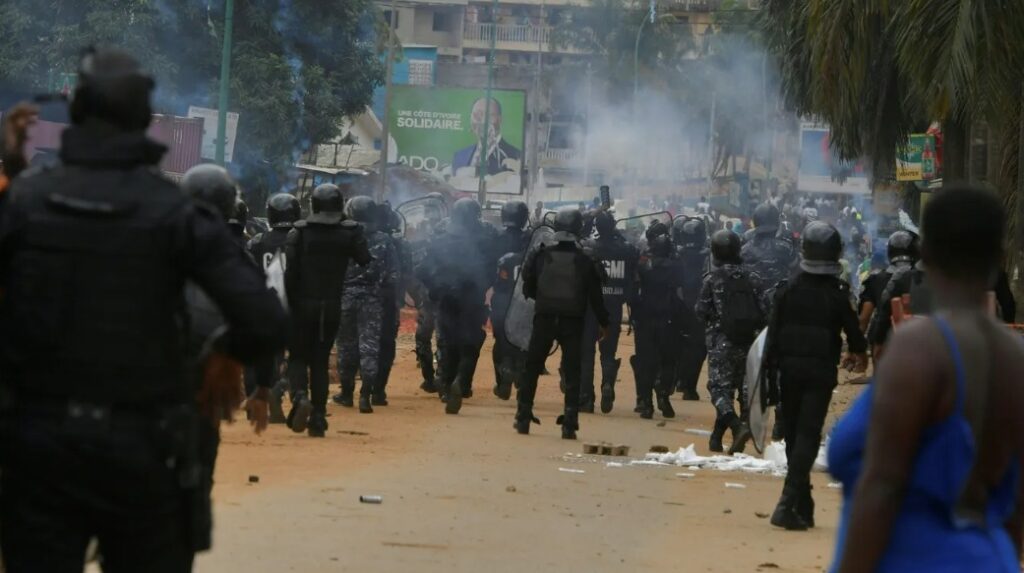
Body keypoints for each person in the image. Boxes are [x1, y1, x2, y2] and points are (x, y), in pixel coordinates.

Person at [0, 47, 287, 572]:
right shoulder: (175, 213)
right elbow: (265, 320)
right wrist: (227, 354)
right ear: (141, 119)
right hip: (142, 451)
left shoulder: (24, 202)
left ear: (79, 112)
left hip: (36, 449)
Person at [829, 186, 1024, 572]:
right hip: (990, 559)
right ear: (999, 258)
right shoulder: (1016, 357)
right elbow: (1017, 505)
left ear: (927, 254)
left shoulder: (919, 347)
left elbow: (882, 486)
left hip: (911, 559)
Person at [762, 221, 868, 530]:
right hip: (819, 372)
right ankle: (785, 504)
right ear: (835, 254)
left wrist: (770, 377)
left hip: (788, 371)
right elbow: (855, 336)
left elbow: (771, 337)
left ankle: (803, 505)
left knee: (795, 435)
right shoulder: (837, 294)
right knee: (808, 435)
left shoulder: (787, 290)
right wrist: (857, 355)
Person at [514, 207, 608, 439]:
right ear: (578, 228)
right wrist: (604, 323)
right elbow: (596, 294)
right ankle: (570, 422)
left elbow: (527, 285)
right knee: (572, 371)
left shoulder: (541, 252)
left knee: (532, 367)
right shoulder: (586, 257)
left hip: (544, 317)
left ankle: (523, 416)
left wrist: (544, 301)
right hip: (573, 321)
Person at [285, 183, 370, 436]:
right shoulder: (350, 232)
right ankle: (319, 418)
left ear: (313, 205)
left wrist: (290, 306)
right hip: (331, 305)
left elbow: (290, 275)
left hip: (302, 304)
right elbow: (364, 259)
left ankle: (300, 396)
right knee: (320, 362)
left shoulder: (299, 232)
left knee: (298, 357)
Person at [417, 198, 499, 414]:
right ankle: (462, 383)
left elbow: (423, 269)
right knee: (471, 341)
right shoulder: (487, 239)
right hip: (473, 297)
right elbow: (494, 270)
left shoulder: (441, 238)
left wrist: (435, 288)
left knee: (447, 341)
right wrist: (482, 286)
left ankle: (445, 386)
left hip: (446, 296)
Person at [696, 230, 766, 454]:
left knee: (719, 392)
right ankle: (719, 438)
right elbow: (765, 311)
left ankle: (737, 428)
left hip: (721, 344)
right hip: (749, 344)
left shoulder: (712, 279)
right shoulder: (753, 278)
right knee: (743, 392)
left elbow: (701, 310)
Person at [334, 196, 398, 414]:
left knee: (346, 346)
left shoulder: (340, 235)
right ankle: (365, 396)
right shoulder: (385, 240)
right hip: (372, 299)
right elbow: (393, 276)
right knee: (369, 347)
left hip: (345, 298)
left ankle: (346, 393)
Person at [246, 192, 301, 422]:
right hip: (297, 306)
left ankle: (256, 401)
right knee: (298, 355)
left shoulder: (258, 242)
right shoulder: (302, 239)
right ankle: (283, 388)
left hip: (265, 306)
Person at [580, 210, 638, 413]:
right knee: (608, 352)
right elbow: (633, 268)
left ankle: (586, 399)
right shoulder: (626, 249)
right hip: (613, 309)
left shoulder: (589, 248)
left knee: (586, 353)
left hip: (590, 310)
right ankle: (607, 384)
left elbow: (577, 235)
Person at [633, 221, 685, 419]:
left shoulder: (644, 264)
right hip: (668, 319)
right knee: (668, 361)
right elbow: (680, 290)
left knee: (645, 362)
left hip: (645, 318)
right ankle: (663, 395)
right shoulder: (675, 266)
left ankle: (646, 403)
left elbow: (635, 287)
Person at [491, 200, 531, 400]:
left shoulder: (495, 238)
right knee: (523, 340)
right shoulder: (530, 240)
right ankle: (520, 376)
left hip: (502, 298)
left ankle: (502, 380)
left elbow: (485, 266)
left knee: (500, 340)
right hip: (524, 300)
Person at [375, 202, 410, 404]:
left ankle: (357, 389)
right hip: (391, 302)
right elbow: (408, 274)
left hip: (364, 300)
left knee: (362, 343)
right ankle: (378, 389)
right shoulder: (401, 244)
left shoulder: (362, 239)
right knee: (387, 344)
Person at [672, 216, 709, 401]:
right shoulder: (708, 256)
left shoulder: (675, 254)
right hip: (700, 307)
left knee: (677, 343)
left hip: (679, 306)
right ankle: (689, 387)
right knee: (698, 347)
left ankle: (676, 380)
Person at [858, 231, 918, 338]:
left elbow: (863, 319)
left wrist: (855, 349)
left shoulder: (874, 279)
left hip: (882, 339)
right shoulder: (923, 278)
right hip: (916, 339)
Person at [741, 203, 797, 305]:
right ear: (776, 221)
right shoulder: (786, 248)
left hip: (750, 305)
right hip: (779, 304)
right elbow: (796, 270)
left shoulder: (744, 249)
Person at [451, 98, 522, 175]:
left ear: (500, 119)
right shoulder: (460, 156)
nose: (483, 121)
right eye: (477, 115)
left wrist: (475, 172)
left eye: (489, 115)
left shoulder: (516, 156)